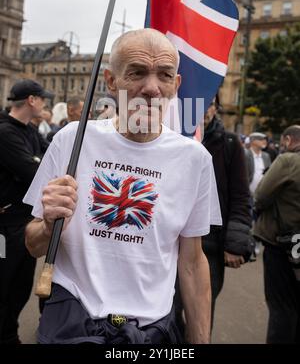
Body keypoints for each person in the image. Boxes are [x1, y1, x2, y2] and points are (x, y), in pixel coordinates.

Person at [24, 29, 222, 345]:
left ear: (176, 85)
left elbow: (192, 262)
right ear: (111, 81)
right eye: (137, 73)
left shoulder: (194, 159)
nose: (152, 88)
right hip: (72, 323)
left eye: (165, 75)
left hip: (152, 332)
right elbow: (33, 244)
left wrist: (200, 340)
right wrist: (48, 224)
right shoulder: (72, 139)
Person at [175, 96, 253, 332]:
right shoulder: (172, 141)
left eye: (208, 103)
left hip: (210, 246)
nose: (203, 110)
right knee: (168, 313)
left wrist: (235, 244)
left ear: (215, 109)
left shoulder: (229, 143)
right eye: (197, 103)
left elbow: (240, 195)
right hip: (173, 244)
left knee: (200, 313)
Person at [0, 79, 53, 345]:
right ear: (31, 100)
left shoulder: (31, 132)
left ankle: (10, 335)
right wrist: (38, 164)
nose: (45, 103)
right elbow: (33, 172)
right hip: (4, 226)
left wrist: (39, 163)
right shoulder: (5, 132)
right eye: (42, 98)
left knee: (20, 289)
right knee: (3, 284)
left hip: (25, 223)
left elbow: (51, 158)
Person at [254, 125, 300, 344]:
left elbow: (261, 196)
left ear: (288, 140)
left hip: (283, 245)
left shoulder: (288, 161)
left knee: (282, 307)